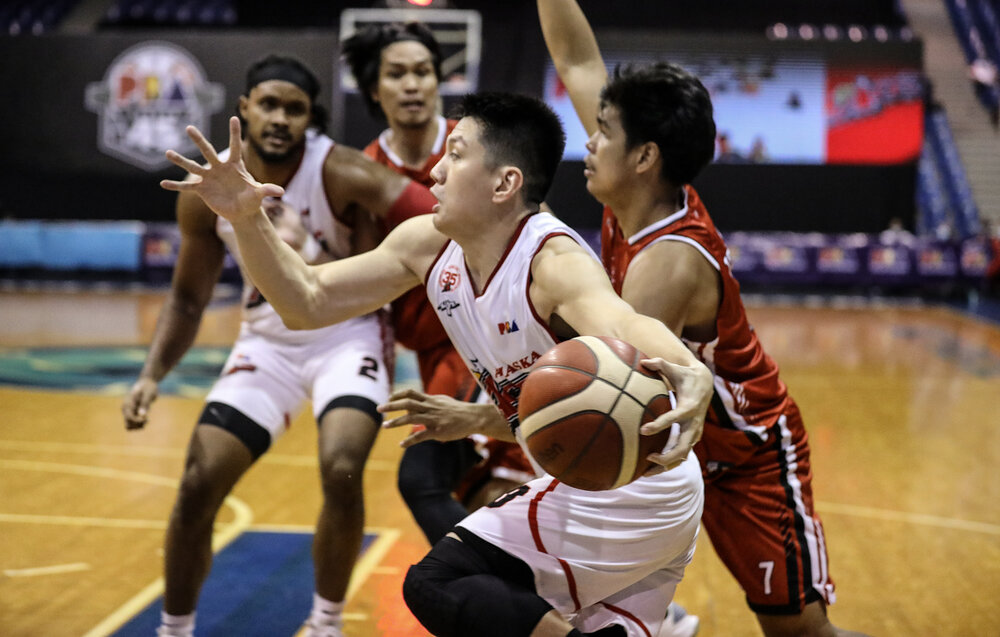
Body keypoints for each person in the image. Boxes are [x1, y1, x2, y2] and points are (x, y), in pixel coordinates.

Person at [159, 92, 715, 637]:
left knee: (441, 580)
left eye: (455, 154)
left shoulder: (552, 261)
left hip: (631, 487)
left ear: (505, 183)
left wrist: (688, 367)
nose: (435, 173)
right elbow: (305, 301)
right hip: (630, 489)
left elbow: (619, 322)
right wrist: (245, 216)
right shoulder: (427, 245)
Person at [536, 1, 872, 635]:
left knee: (799, 632)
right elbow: (577, 60)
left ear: (645, 156)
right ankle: (651, 618)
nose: (589, 139)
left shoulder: (667, 262)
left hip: (748, 455)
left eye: (603, 130)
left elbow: (608, 391)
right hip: (677, 445)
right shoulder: (639, 192)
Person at [121, 54, 438, 637]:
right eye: (268, 103)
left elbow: (433, 214)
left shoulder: (340, 171)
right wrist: (150, 375)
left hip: (347, 336)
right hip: (267, 343)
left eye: (295, 109)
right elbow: (188, 300)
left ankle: (325, 623)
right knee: (197, 482)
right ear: (244, 108)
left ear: (310, 119)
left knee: (341, 469)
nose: (280, 118)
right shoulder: (206, 189)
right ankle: (174, 628)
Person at [342, 21, 536, 543]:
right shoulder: (361, 172)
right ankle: (554, 599)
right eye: (397, 73)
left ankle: (489, 597)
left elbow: (533, 227)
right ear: (374, 88)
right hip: (433, 353)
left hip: (494, 337)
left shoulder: (472, 151)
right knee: (479, 490)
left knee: (427, 477)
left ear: (438, 82)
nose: (412, 84)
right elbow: (361, 273)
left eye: (423, 72)